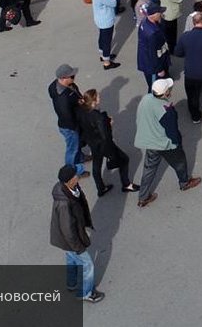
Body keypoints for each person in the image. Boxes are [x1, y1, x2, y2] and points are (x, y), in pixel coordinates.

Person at [134, 78, 202, 208]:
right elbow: (172, 132)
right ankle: (184, 182)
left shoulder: (146, 99)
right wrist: (177, 143)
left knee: (149, 169)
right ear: (165, 94)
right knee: (180, 161)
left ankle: (143, 197)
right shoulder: (167, 110)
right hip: (164, 144)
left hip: (150, 142)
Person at [49, 165, 104, 303]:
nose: (78, 176)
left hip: (67, 239)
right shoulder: (63, 203)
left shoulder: (72, 188)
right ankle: (86, 293)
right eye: (76, 175)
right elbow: (67, 229)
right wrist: (78, 247)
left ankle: (71, 282)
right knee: (87, 265)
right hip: (70, 240)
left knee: (71, 259)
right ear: (69, 180)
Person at [76, 89, 137, 195]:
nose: (100, 97)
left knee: (96, 165)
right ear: (94, 101)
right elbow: (105, 135)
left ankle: (101, 188)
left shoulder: (83, 111)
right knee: (124, 159)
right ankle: (126, 184)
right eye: (98, 96)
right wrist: (109, 124)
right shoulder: (98, 117)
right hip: (102, 144)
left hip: (92, 143)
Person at [48, 64, 88, 177]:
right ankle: (73, 172)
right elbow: (66, 116)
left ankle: (81, 157)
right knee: (72, 149)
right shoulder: (63, 98)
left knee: (76, 145)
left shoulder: (58, 86)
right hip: (70, 127)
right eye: (72, 76)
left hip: (71, 124)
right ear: (64, 78)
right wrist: (76, 125)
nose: (74, 77)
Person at [87, 0, 120, 70]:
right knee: (107, 41)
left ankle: (103, 55)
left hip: (99, 18)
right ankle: (107, 62)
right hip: (106, 20)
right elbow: (113, 3)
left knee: (102, 37)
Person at [137, 5, 170, 92]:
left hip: (145, 58)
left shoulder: (145, 21)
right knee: (154, 88)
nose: (161, 14)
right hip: (151, 66)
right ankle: (152, 103)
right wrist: (159, 69)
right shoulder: (152, 33)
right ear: (153, 15)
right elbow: (153, 54)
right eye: (159, 12)